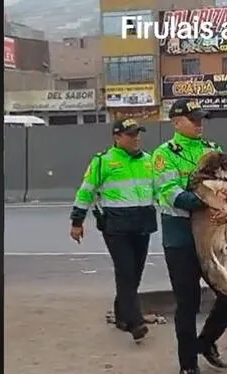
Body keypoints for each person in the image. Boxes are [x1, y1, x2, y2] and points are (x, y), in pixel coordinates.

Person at [152, 98, 227, 374]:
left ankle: (206, 342)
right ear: (176, 122)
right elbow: (171, 194)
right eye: (193, 119)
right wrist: (212, 201)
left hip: (211, 234)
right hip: (180, 238)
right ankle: (188, 365)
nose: (200, 123)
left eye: (201, 118)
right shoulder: (165, 154)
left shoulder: (213, 149)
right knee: (188, 303)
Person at [69, 118, 157, 342]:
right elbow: (86, 191)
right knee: (126, 271)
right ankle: (135, 322)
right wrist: (77, 221)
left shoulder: (148, 161)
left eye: (138, 134)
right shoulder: (103, 162)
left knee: (135, 273)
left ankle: (121, 316)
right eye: (131, 134)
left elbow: (160, 190)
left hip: (142, 224)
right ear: (117, 137)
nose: (136, 138)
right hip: (116, 227)